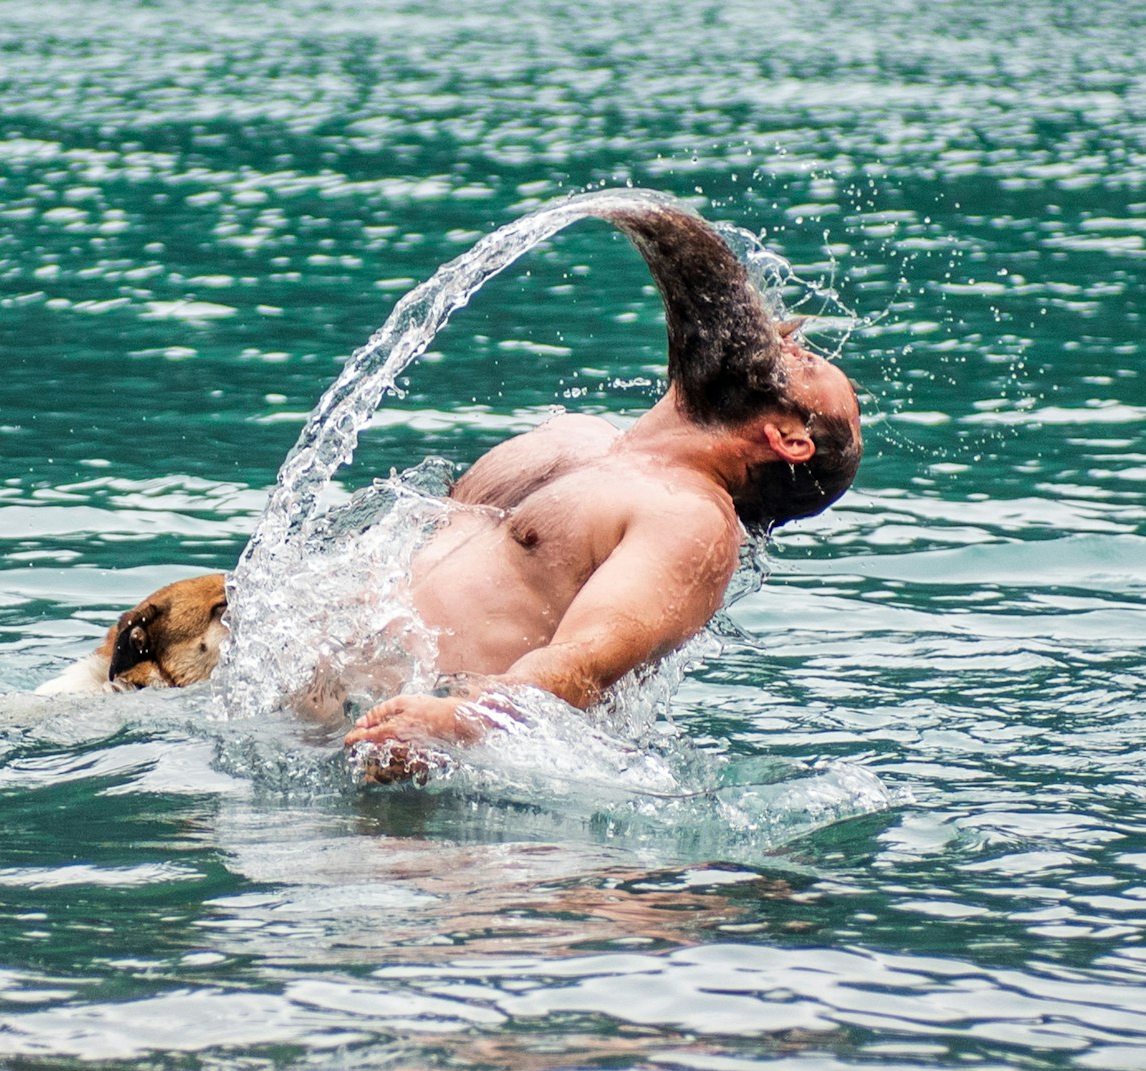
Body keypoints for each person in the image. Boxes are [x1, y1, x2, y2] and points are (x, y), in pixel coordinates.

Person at [344, 200, 861, 778]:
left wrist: (457, 724)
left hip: (412, 773)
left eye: (809, 364)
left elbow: (583, 663)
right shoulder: (578, 436)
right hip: (302, 716)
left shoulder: (692, 520)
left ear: (790, 440)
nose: (788, 343)